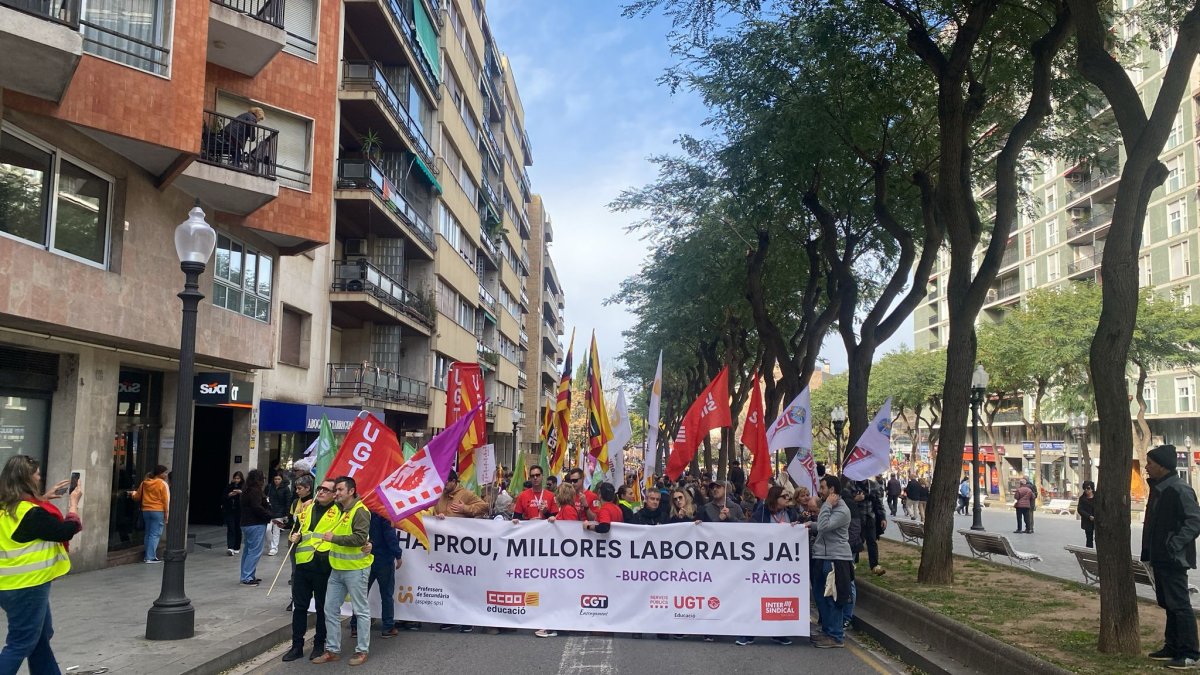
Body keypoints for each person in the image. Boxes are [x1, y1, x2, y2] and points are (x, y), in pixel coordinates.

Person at [0, 455, 82, 675]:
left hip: (9, 585)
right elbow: (65, 530)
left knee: (40, 636)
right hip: (27, 586)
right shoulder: (31, 514)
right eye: (36, 474)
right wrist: (73, 505)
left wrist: (43, 498)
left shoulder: (6, 508)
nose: (39, 478)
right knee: (21, 642)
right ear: (27, 479)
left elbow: (24, 519)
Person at [1142, 445, 1200, 669]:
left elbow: (1194, 521)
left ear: (1163, 466)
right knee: (1168, 603)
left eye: (1150, 463)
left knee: (1180, 605)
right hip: (1160, 557)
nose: (1146, 467)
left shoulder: (1179, 489)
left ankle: (1190, 654)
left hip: (1174, 558)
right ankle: (1173, 646)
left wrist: (1173, 544)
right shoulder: (1160, 489)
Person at [313, 476, 373, 666]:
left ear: (351, 491)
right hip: (337, 569)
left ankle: (362, 651)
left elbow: (359, 539)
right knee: (329, 608)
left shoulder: (360, 511)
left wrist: (334, 539)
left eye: (339, 490)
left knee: (361, 610)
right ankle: (332, 650)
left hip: (356, 569)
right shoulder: (338, 509)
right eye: (335, 490)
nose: (336, 493)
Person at [282, 477, 336, 663]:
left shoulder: (339, 512)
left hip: (323, 567)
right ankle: (296, 646)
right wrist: (294, 536)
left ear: (334, 494)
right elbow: (296, 530)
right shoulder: (307, 508)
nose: (320, 492)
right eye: (320, 488)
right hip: (303, 565)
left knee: (322, 608)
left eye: (326, 490)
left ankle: (319, 644)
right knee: (300, 607)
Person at [735, 484, 795, 647]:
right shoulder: (761, 513)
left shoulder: (791, 513)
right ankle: (749, 634)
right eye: (785, 496)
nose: (788, 499)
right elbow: (750, 532)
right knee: (756, 598)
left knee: (779, 600)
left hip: (783, 566)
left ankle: (779, 633)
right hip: (762, 564)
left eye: (788, 496)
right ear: (775, 499)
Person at [807, 475, 852, 649]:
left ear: (832, 490)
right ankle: (827, 630)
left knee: (832, 597)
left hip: (835, 559)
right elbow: (821, 525)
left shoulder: (841, 510)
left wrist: (826, 505)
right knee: (820, 596)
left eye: (823, 487)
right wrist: (809, 524)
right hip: (822, 556)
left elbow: (825, 525)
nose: (820, 491)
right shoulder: (832, 508)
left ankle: (836, 636)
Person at [366, 512, 403, 640]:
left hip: (365, 559)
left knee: (361, 595)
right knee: (386, 595)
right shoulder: (383, 513)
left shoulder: (362, 510)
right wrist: (398, 554)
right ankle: (387, 627)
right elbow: (390, 535)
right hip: (384, 559)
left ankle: (355, 626)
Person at [130, 464, 169, 563]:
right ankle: (150, 557)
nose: (166, 474)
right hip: (158, 510)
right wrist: (166, 515)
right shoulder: (162, 484)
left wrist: (133, 494)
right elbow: (166, 500)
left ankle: (148, 555)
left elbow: (137, 497)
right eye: (165, 472)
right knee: (155, 534)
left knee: (148, 533)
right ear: (160, 473)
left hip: (146, 510)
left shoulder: (144, 483)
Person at [239, 469, 272, 586]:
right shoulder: (255, 491)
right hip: (255, 523)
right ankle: (247, 576)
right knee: (255, 551)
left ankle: (246, 574)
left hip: (246, 523)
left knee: (248, 551)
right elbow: (256, 507)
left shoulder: (246, 490)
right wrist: (269, 515)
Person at [266, 472, 292, 557]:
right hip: (270, 511)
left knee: (276, 531)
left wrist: (286, 514)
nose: (277, 481)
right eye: (275, 479)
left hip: (280, 512)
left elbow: (288, 501)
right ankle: (271, 546)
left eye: (278, 479)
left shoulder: (286, 489)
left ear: (282, 479)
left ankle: (274, 548)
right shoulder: (270, 487)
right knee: (268, 530)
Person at [223, 471, 244, 556]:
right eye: (235, 478)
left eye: (238, 478)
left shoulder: (244, 487)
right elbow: (223, 497)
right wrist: (229, 495)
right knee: (231, 528)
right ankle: (230, 547)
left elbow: (247, 497)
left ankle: (236, 547)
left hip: (239, 511)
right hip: (230, 510)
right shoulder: (229, 486)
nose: (236, 480)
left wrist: (240, 493)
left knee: (237, 528)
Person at [1077, 480, 1096, 548]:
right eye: (1085, 488)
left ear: (1092, 488)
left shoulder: (1097, 496)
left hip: (1098, 521)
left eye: (1088, 488)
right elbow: (1080, 509)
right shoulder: (1082, 498)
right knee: (1089, 539)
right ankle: (1089, 554)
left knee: (1099, 539)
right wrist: (1089, 516)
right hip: (1088, 522)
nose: (1086, 490)